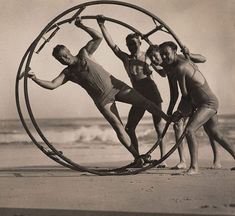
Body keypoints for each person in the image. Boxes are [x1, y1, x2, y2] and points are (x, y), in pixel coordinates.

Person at [26, 17, 170, 166]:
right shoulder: (68, 72)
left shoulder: (84, 53)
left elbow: (98, 37)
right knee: (119, 127)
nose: (65, 58)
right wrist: (34, 78)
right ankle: (137, 157)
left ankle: (169, 119)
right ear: (58, 60)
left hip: (116, 87)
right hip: (103, 101)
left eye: (65, 54)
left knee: (145, 102)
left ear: (69, 51)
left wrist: (82, 25)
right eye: (60, 58)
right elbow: (52, 85)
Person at [97, 16, 167, 168]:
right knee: (130, 128)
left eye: (134, 44)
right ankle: (138, 158)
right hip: (138, 96)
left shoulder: (147, 56)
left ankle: (164, 159)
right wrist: (102, 25)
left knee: (158, 126)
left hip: (152, 94)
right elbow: (112, 45)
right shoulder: (126, 59)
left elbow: (163, 73)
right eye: (129, 45)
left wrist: (154, 65)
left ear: (140, 43)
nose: (131, 47)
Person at [157, 41, 235, 174]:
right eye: (162, 54)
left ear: (175, 52)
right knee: (216, 134)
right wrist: (175, 112)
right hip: (202, 103)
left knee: (189, 130)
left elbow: (185, 96)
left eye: (166, 54)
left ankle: (194, 167)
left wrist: (179, 113)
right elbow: (180, 95)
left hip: (208, 103)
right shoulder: (176, 65)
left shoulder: (181, 67)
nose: (164, 57)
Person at [146, 45, 222, 169]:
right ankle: (182, 161)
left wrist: (189, 53)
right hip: (187, 97)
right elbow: (174, 92)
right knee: (177, 124)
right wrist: (170, 110)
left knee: (210, 128)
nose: (154, 59)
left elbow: (203, 59)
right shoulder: (167, 67)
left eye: (156, 56)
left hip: (200, 93)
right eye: (152, 58)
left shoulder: (179, 59)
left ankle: (217, 160)